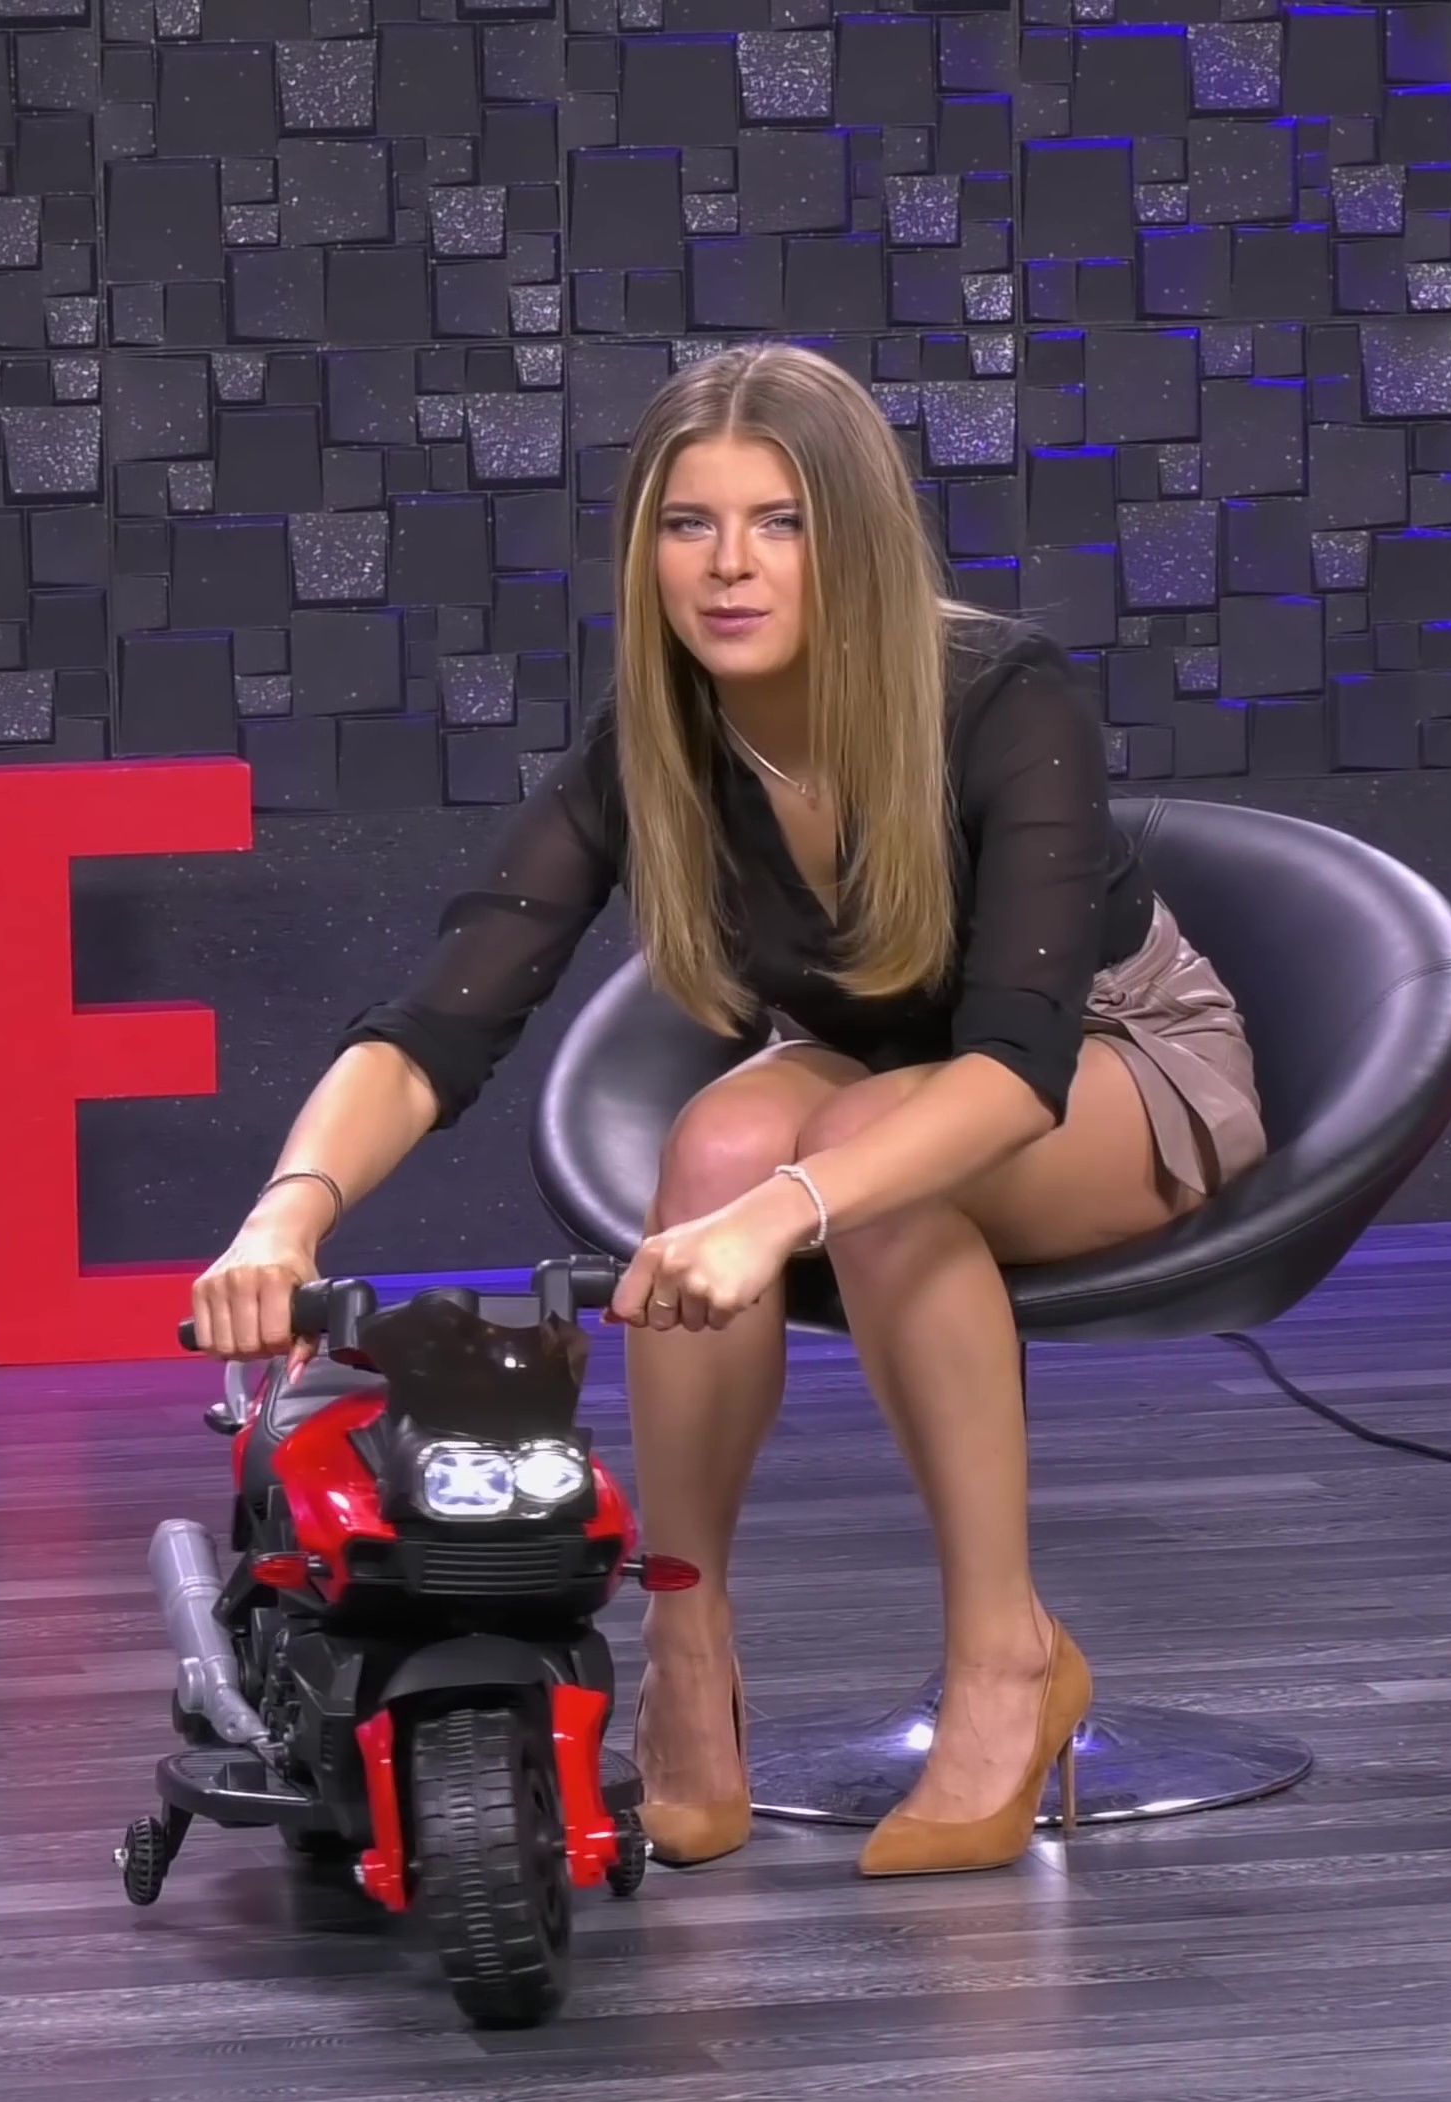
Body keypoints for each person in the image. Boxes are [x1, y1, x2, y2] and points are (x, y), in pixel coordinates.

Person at [188, 345, 1266, 1879]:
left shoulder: (999, 693)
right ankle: (688, 1654)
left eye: (781, 522)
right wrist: (285, 1212)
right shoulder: (660, 735)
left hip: (1110, 1058)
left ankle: (1010, 1658)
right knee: (716, 1146)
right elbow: (443, 1019)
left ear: (855, 536)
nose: (730, 566)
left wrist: (787, 1214)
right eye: (690, 524)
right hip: (869, 1073)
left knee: (846, 1168)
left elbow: (1017, 1065)